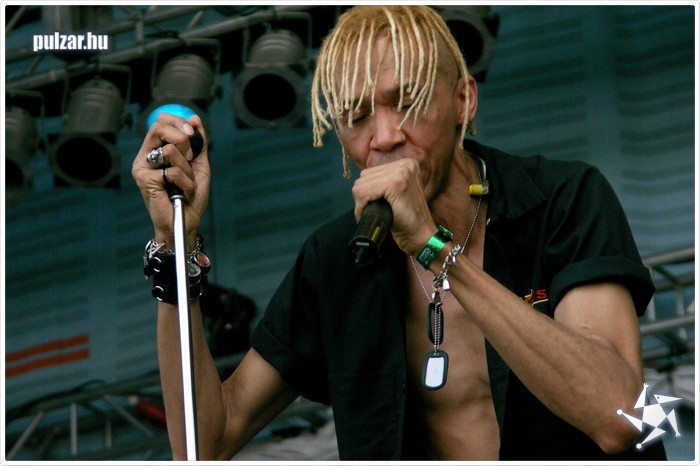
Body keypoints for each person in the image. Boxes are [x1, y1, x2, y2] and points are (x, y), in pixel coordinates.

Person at [131, 5, 666, 461]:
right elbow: (204, 444)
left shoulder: (562, 199)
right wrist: (175, 246)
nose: (384, 136)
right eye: (357, 115)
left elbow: (621, 418)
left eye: (406, 101)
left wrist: (435, 248)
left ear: (464, 101)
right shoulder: (333, 260)